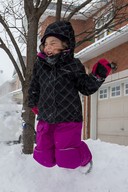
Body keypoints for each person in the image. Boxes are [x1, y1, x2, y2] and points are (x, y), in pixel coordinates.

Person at [28, 21, 112, 171]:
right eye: (46, 44)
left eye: (53, 43)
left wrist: (97, 76)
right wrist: (34, 103)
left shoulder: (73, 64)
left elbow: (85, 87)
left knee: (67, 158)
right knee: (43, 157)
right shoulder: (40, 65)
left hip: (68, 118)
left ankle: (85, 158)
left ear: (66, 44)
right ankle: (59, 159)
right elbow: (34, 85)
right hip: (46, 117)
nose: (48, 47)